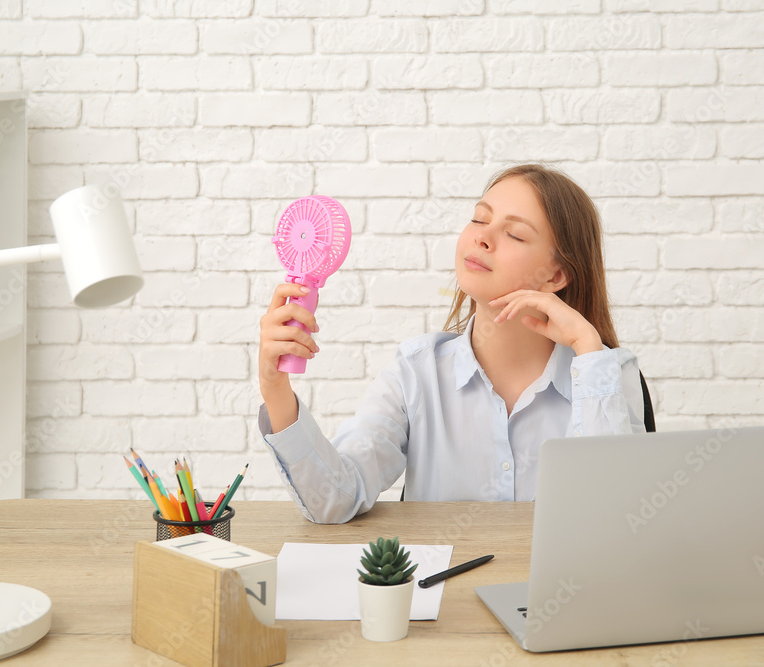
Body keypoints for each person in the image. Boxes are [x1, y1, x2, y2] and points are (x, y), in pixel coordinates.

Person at [258, 163, 645, 524]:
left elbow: (617, 520)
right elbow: (335, 498)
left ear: (556, 274)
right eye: (479, 218)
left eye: (514, 234)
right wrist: (276, 390)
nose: (482, 237)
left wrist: (586, 346)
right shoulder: (417, 372)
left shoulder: (609, 373)